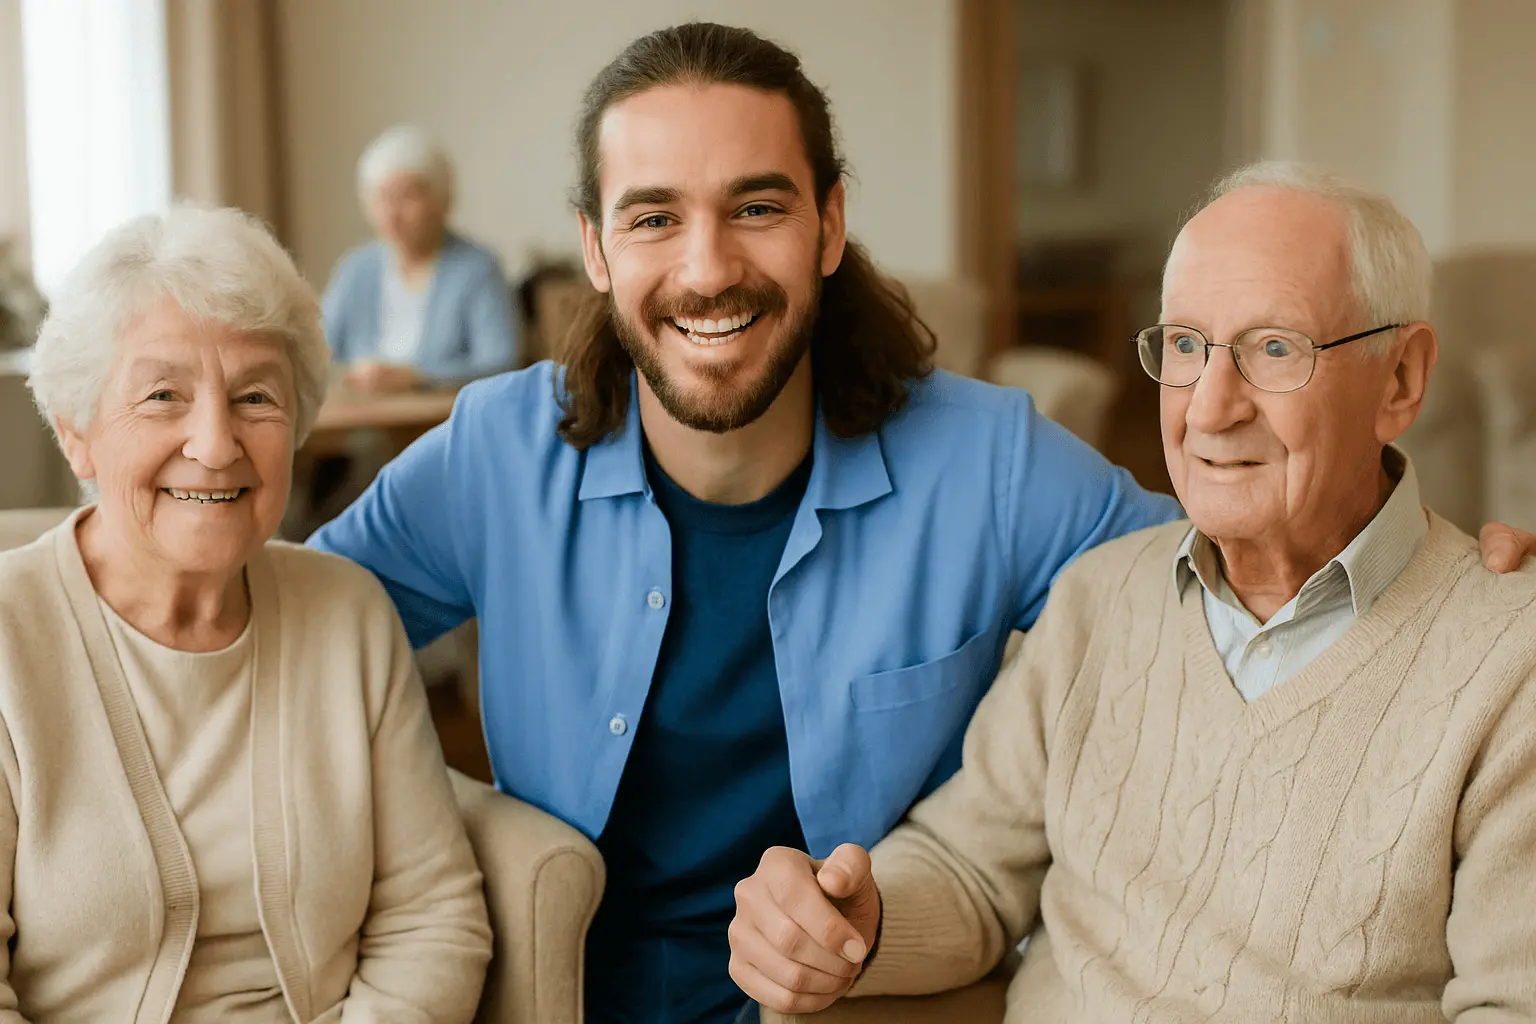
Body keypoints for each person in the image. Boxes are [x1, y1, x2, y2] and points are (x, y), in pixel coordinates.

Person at [309, 25, 1536, 1024]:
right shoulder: (496, 452)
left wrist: (1463, 563)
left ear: (830, 225)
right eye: (651, 218)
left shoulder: (987, 465)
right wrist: (452, 831)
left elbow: (1248, 531)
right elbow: (286, 631)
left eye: (756, 207)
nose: (705, 266)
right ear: (594, 248)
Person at [728, 163, 1536, 1023]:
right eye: (1185, 346)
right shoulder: (1098, 597)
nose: (1210, 408)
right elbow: (970, 866)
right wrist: (856, 922)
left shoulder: (1506, 664)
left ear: (1401, 379)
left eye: (1274, 349)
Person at [0, 204, 492, 1022]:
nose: (217, 443)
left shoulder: (348, 615)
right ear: (76, 433)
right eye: (163, 395)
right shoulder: (9, 637)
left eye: (256, 396)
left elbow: (431, 914)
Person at [322, 125, 518, 391]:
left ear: (443, 199)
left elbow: (501, 362)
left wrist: (419, 376)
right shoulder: (356, 269)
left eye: (407, 196)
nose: (392, 214)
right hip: (363, 420)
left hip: (444, 419)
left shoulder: (478, 269)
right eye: (382, 198)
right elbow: (317, 352)